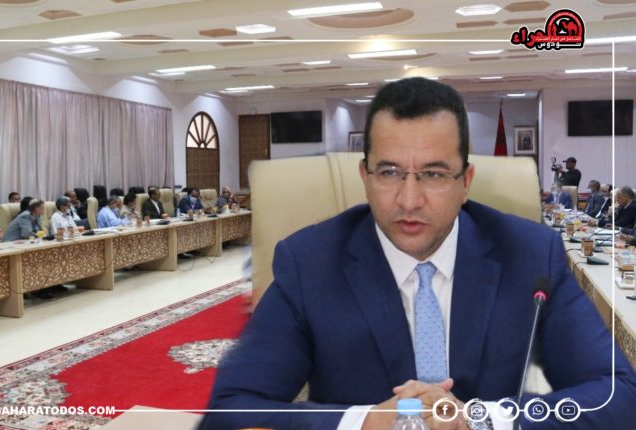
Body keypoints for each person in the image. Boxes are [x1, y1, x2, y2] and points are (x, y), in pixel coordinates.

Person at [201, 78, 636, 430]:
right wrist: (362, 422)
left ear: (466, 182)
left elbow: (619, 394)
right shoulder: (310, 262)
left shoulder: (529, 253)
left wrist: (485, 420)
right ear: (365, 176)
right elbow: (230, 410)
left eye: (433, 174)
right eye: (389, 172)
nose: (408, 201)